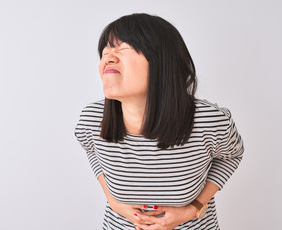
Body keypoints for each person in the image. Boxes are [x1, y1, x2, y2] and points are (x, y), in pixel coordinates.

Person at [75, 13, 244, 230]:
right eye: (105, 50)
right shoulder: (92, 120)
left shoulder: (208, 121)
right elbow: (92, 150)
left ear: (161, 60)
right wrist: (114, 201)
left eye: (121, 48)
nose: (108, 57)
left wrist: (194, 207)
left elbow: (232, 155)